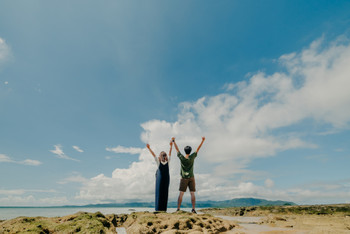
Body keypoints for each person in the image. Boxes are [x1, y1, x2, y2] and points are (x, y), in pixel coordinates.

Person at [172, 136, 205, 214]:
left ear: (185, 151)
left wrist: (174, 141)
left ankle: (178, 209)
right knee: (192, 193)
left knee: (181, 193)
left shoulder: (182, 158)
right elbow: (198, 149)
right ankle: (193, 209)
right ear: (190, 151)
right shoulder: (192, 157)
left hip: (183, 178)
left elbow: (177, 149)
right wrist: (202, 141)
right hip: (191, 177)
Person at [146, 141, 173, 211]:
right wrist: (171, 146)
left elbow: (153, 155)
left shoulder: (159, 162)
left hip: (160, 179)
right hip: (166, 178)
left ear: (160, 157)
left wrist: (149, 148)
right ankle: (164, 209)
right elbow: (170, 153)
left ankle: (158, 209)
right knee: (165, 193)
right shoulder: (168, 162)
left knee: (159, 193)